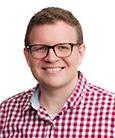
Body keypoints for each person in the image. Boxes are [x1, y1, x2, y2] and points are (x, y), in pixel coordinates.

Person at [0, 7, 115, 138]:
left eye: (62, 47)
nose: (51, 58)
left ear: (80, 52)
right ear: (27, 56)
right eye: (40, 48)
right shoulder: (5, 112)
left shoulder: (112, 111)